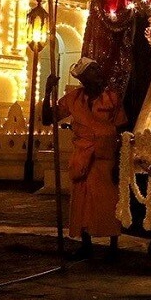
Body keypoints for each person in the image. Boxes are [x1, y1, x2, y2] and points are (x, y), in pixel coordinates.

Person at [43, 57, 126, 259]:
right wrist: (47, 93)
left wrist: (120, 162)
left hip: (106, 158)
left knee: (109, 202)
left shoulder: (112, 98)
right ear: (83, 77)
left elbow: (122, 129)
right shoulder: (73, 98)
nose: (99, 73)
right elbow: (48, 119)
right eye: (93, 70)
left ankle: (113, 245)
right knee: (83, 202)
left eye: (98, 69)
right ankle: (86, 244)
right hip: (82, 158)